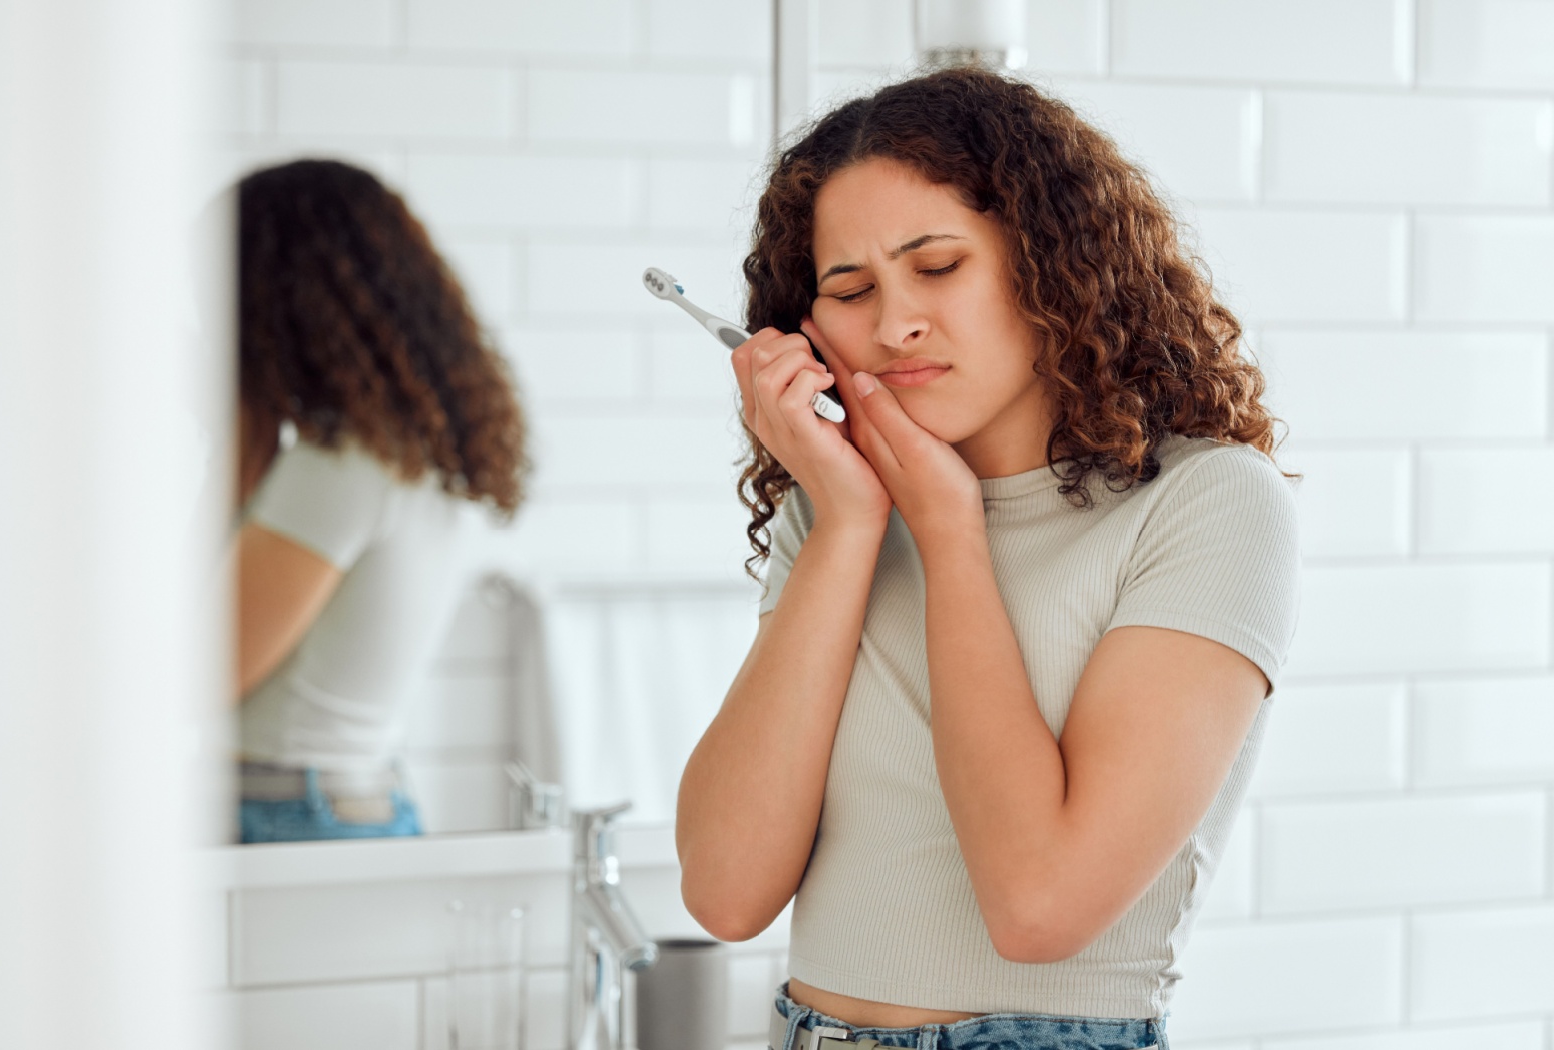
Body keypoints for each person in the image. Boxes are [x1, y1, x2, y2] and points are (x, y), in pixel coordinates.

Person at [677, 67, 1301, 1050]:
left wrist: (949, 532)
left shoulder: (1207, 503)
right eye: (849, 289)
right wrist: (846, 524)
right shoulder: (838, 513)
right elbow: (723, 890)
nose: (893, 325)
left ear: (1048, 264)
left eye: (937, 266)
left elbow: (1038, 905)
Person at [232, 159, 527, 844]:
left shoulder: (336, 466)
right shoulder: (407, 453)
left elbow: (197, 671)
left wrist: (236, 431)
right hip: (344, 803)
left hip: (283, 813)